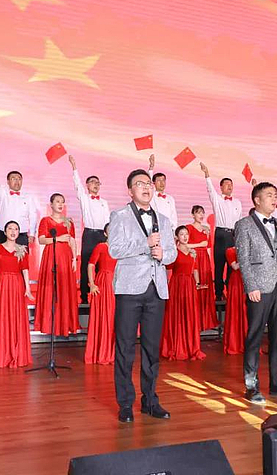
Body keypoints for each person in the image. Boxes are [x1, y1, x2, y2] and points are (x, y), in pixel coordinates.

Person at [108, 169, 176, 423]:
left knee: (151, 349)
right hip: (129, 289)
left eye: (149, 183)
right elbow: (114, 249)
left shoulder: (164, 220)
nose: (146, 187)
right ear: (130, 190)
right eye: (140, 184)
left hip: (156, 290)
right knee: (125, 348)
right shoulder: (120, 216)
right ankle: (126, 403)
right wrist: (145, 244)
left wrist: (164, 255)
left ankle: (150, 400)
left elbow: (172, 253)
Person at [234, 181, 277, 403]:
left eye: (275, 195)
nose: (274, 199)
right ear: (257, 200)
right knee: (254, 336)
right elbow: (243, 258)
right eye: (269, 195)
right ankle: (251, 386)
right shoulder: (244, 224)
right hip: (259, 287)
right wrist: (250, 285)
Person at [0, 221, 34, 368]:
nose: (13, 231)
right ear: (5, 232)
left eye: (16, 229)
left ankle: (17, 353)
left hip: (17, 285)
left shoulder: (22, 249)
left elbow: (25, 270)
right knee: (2, 317)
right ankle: (1, 355)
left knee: (16, 317)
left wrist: (27, 288)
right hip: (1, 284)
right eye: (10, 228)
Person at [35, 193, 79, 336]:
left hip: (66, 257)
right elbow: (41, 240)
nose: (60, 204)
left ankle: (65, 324)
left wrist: (74, 258)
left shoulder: (69, 222)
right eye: (58, 201)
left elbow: (72, 241)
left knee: (65, 288)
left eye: (62, 202)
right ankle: (49, 324)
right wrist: (58, 239)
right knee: (51, 288)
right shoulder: (46, 220)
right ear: (51, 204)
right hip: (51, 256)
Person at [68, 155, 110, 305]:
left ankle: (101, 293)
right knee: (87, 264)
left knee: (102, 264)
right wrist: (74, 167)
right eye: (93, 182)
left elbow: (108, 221)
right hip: (90, 234)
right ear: (87, 185)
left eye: (98, 183)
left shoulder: (104, 202)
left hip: (103, 235)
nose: (96, 185)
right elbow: (77, 186)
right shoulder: (85, 199)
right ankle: (85, 296)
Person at [161, 226, 206, 361]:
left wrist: (197, 283)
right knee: (177, 315)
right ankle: (176, 346)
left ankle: (190, 347)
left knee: (189, 315)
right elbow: (167, 267)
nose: (185, 237)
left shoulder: (192, 252)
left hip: (189, 286)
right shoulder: (174, 252)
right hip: (177, 285)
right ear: (177, 237)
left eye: (186, 234)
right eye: (182, 234)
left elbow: (195, 269)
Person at [200, 162, 242, 302]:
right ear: (221, 187)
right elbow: (210, 190)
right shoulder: (217, 199)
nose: (229, 186)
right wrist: (207, 175)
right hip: (221, 234)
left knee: (232, 265)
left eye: (231, 184)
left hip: (233, 235)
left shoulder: (237, 202)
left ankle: (231, 291)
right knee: (219, 265)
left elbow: (239, 220)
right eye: (227, 184)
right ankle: (218, 293)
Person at [0, 157, 38, 246]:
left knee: (21, 255)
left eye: (19, 179)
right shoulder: (2, 193)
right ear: (8, 181)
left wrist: (32, 233)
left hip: (21, 235)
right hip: (3, 234)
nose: (17, 181)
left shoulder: (28, 197)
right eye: (13, 178)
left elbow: (33, 215)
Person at [84, 224, 117, 365]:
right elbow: (91, 264)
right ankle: (100, 353)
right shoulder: (101, 247)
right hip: (103, 283)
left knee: (114, 318)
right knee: (103, 317)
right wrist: (92, 284)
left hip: (117, 284)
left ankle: (112, 353)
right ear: (105, 233)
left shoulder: (121, 248)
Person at [187, 205, 218, 330]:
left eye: (202, 213)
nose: (201, 215)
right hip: (194, 257)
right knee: (195, 286)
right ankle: (195, 320)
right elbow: (184, 244)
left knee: (206, 286)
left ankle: (206, 320)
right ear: (192, 215)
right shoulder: (189, 228)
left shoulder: (206, 229)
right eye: (198, 212)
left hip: (204, 258)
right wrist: (199, 244)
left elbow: (208, 246)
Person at [223, 246, 247, 355]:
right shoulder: (230, 251)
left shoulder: (248, 248)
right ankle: (234, 343)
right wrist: (248, 259)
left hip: (247, 280)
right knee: (236, 310)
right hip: (236, 281)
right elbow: (235, 267)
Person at [147, 154, 178, 235]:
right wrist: (151, 168)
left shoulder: (170, 198)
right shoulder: (151, 195)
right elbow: (148, 184)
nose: (162, 183)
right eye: (159, 181)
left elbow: (173, 216)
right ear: (154, 183)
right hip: (154, 230)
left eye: (163, 180)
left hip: (168, 231)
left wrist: (174, 231)